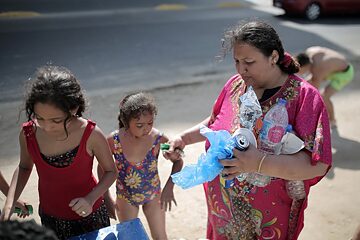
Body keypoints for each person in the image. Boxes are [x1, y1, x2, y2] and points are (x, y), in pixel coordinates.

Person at [163, 21, 332, 240]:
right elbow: (216, 121)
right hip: (223, 211)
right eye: (237, 61)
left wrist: (258, 162)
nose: (241, 69)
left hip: (267, 222)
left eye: (249, 62)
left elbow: (318, 164)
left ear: (273, 57)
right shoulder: (235, 85)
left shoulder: (304, 97)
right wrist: (184, 138)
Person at [0, 65, 117, 240]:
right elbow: (24, 167)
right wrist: (9, 205)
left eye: (56, 120)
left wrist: (91, 198)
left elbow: (111, 171)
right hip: (50, 217)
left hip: (91, 215)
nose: (47, 126)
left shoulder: (91, 133)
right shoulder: (29, 134)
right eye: (40, 118)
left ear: (74, 109)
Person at [98, 92, 183, 240]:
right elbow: (102, 168)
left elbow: (177, 160)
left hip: (153, 195)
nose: (146, 129)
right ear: (126, 122)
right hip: (125, 198)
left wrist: (170, 186)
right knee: (130, 237)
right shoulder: (114, 141)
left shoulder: (158, 140)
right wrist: (106, 197)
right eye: (139, 125)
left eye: (150, 123)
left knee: (160, 236)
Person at [296, 46, 355, 128]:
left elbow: (313, 93)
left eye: (299, 70)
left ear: (306, 66)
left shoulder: (318, 69)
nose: (299, 73)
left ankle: (332, 120)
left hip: (344, 74)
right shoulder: (309, 51)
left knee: (324, 96)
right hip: (333, 67)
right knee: (306, 83)